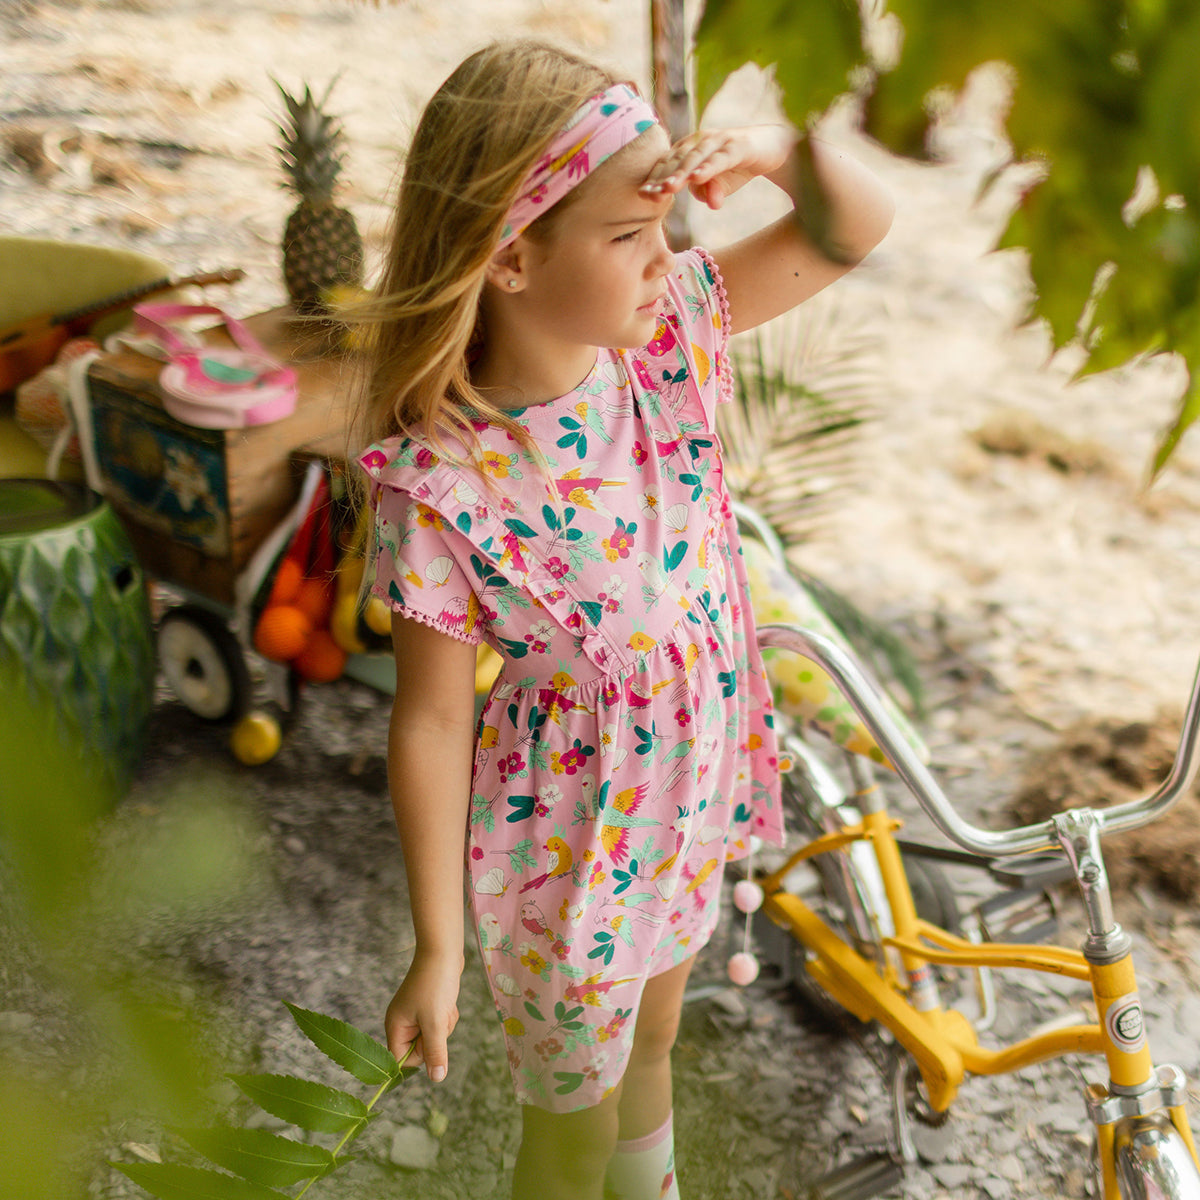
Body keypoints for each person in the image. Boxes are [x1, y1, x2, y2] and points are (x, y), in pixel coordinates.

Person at [356, 38, 893, 1200]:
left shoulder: (666, 344)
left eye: (661, 232)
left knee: (655, 1049)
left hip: (685, 789)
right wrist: (438, 946)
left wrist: (778, 150)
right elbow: (434, 724)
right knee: (569, 1130)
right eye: (625, 235)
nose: (667, 260)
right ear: (509, 256)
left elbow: (854, 226)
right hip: (574, 844)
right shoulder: (448, 483)